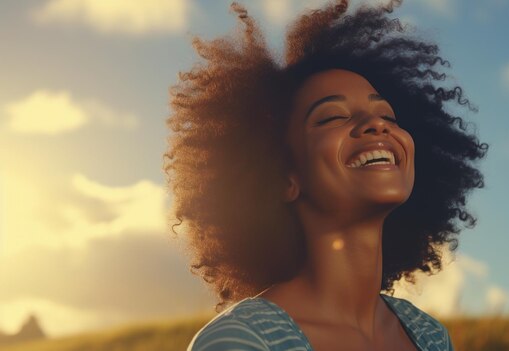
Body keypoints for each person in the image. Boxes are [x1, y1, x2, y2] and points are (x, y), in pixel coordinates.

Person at [163, 0, 487, 350]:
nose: (377, 124)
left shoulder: (431, 337)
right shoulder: (242, 340)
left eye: (388, 117)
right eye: (332, 117)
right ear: (284, 176)